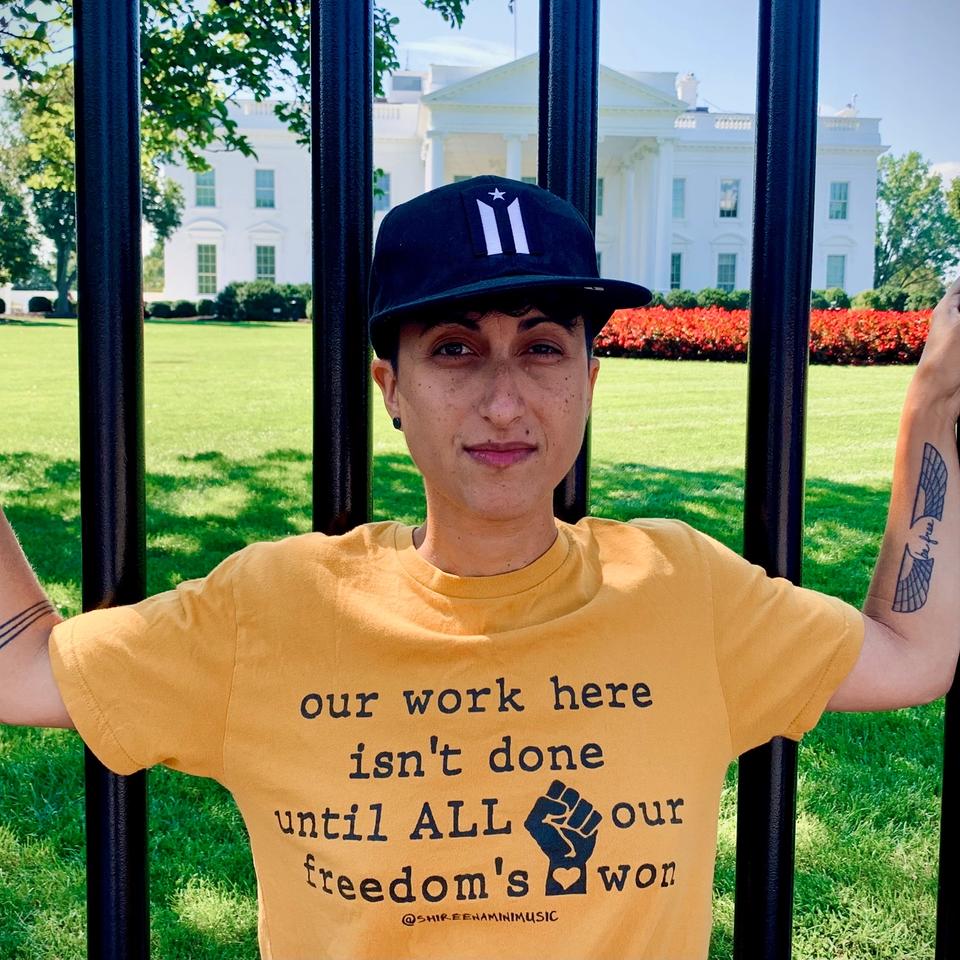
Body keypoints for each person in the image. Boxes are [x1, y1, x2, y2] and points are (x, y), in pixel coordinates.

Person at [1, 175, 958, 960]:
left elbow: (912, 655)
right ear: (392, 390)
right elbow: (21, 668)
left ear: (588, 380)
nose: (505, 402)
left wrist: (933, 407)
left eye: (542, 348)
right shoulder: (273, 607)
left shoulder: (685, 588)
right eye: (455, 349)